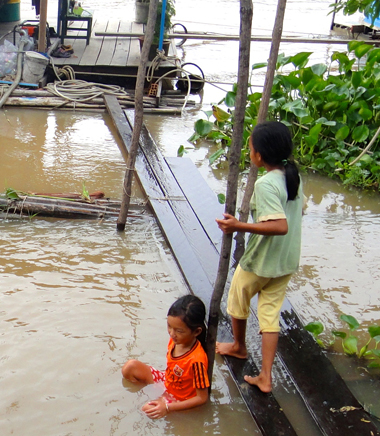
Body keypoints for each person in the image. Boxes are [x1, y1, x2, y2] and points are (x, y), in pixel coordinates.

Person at [215, 120, 304, 393]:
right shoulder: (293, 176)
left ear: (260, 156)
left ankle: (239, 347)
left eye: (250, 148)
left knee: (237, 298)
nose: (248, 152)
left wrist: (238, 225)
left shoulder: (265, 184)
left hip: (261, 260)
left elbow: (279, 225)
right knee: (269, 315)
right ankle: (266, 376)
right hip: (285, 261)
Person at [122, 295, 210, 419]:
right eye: (169, 327)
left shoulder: (196, 360)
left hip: (179, 398)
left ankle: (160, 402)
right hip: (167, 380)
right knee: (130, 368)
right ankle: (156, 396)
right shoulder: (175, 341)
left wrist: (168, 407)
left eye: (179, 331)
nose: (172, 334)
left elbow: (202, 398)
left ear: (196, 332)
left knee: (146, 409)